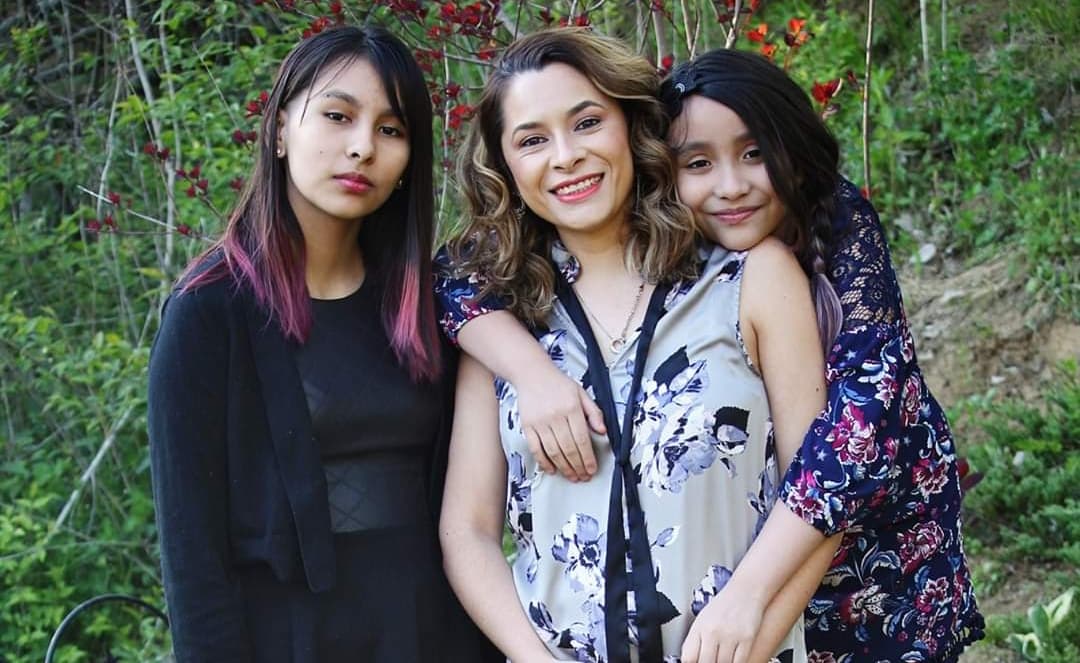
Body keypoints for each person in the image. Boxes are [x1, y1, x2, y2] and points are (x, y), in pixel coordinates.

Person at [438, 45, 984, 663]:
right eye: (532, 140)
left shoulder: (767, 269)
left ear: (632, 128)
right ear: (504, 166)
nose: (565, 155)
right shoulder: (493, 315)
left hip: (848, 600)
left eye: (587, 122)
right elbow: (468, 529)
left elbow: (831, 476)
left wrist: (751, 622)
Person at [147, 25, 495, 662]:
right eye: (338, 116)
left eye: (391, 129)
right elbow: (192, 561)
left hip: (434, 635)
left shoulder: (427, 302)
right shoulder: (208, 312)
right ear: (280, 130)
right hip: (291, 643)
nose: (362, 147)